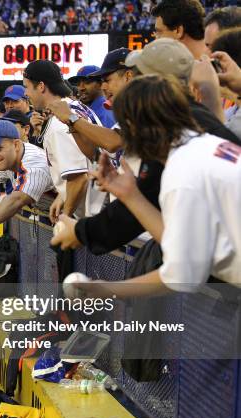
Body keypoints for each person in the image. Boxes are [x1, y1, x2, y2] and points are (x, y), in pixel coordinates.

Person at [51, 39, 240, 254]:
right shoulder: (194, 116)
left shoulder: (171, 126)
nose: (136, 79)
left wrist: (81, 232)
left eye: (142, 73)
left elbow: (142, 196)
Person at [71, 75, 241, 298]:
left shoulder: (181, 171)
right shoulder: (208, 144)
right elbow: (180, 246)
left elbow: (183, 275)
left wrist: (106, 290)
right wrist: (132, 196)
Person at [23, 60, 101, 222]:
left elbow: (79, 178)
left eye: (27, 87)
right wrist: (63, 195)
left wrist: (65, 218)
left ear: (41, 86)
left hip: (94, 216)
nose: (26, 93)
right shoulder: (74, 106)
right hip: (101, 206)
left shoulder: (59, 122)